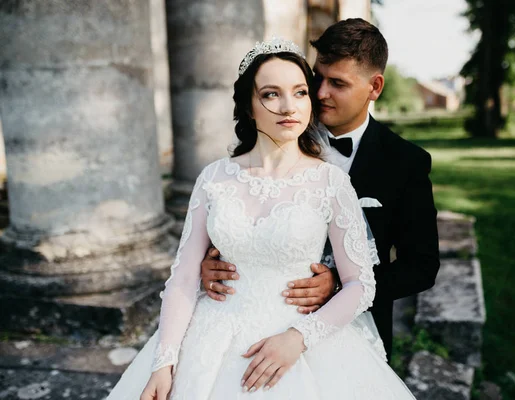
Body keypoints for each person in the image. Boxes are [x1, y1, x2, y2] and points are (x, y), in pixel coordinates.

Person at [106, 38, 415, 399]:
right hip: (210, 336)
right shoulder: (213, 178)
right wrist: (165, 361)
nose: (288, 106)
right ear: (249, 107)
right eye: (271, 94)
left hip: (299, 337)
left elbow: (361, 284)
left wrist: (298, 339)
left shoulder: (330, 181)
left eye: (300, 93)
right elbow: (183, 278)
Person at [201, 18, 440, 358]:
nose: (321, 93)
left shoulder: (406, 163)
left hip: (356, 333)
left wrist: (339, 284)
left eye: (338, 83)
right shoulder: (278, 130)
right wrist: (209, 264)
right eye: (318, 78)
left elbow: (421, 266)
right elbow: (234, 211)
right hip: (257, 326)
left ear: (374, 87)